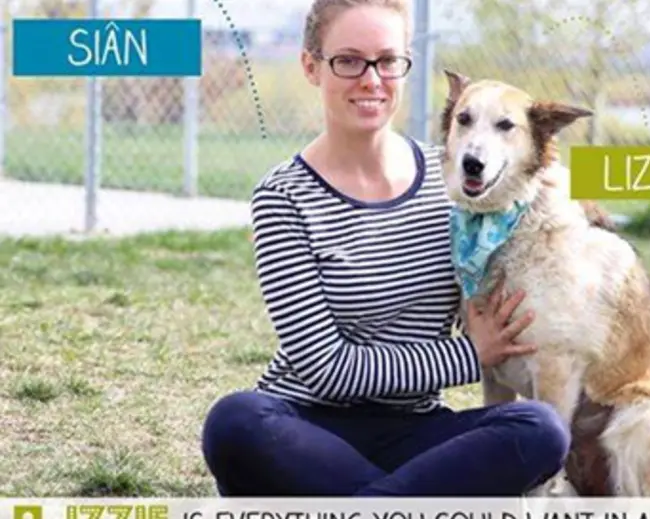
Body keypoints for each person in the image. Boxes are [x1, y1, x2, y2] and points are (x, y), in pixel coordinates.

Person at [200, 0, 570, 497]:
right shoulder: (282, 196)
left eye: (388, 60)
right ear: (311, 66)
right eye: (349, 60)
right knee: (234, 421)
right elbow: (326, 368)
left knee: (540, 428)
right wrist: (469, 355)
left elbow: (539, 188)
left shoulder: (458, 182)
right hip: (301, 427)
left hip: (414, 431)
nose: (372, 80)